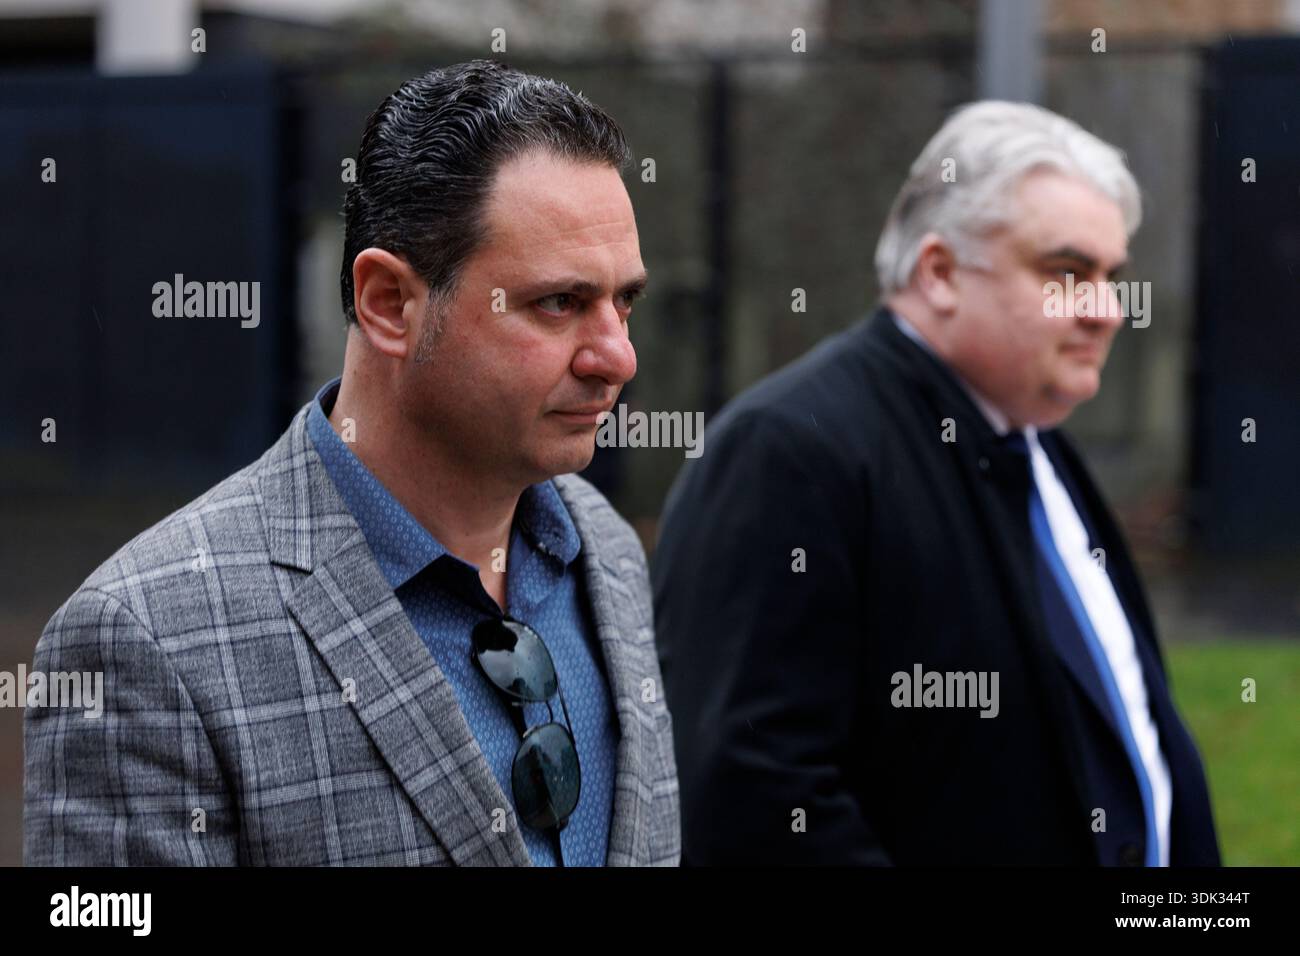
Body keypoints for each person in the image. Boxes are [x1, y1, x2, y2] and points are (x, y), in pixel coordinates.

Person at [25, 60, 679, 867]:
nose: (618, 356)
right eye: (559, 303)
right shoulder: (148, 637)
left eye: (625, 302)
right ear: (390, 304)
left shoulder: (604, 553)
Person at [653, 101, 1219, 866]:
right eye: (1066, 272)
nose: (1107, 311)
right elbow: (751, 793)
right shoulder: (788, 452)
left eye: (1112, 276)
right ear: (940, 273)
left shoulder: (1033, 438)